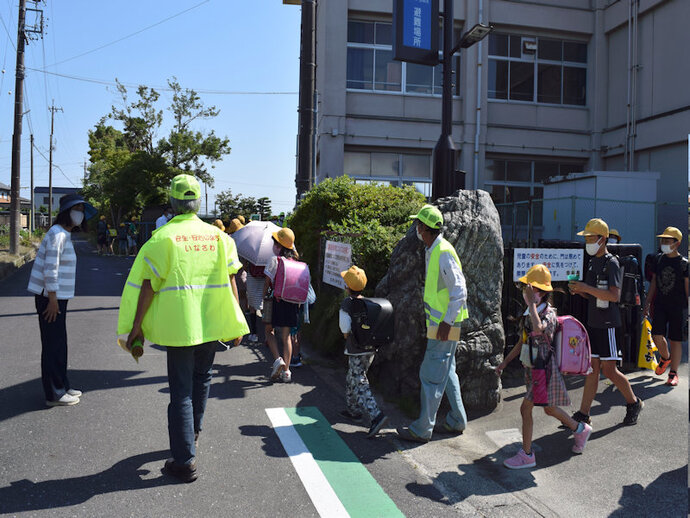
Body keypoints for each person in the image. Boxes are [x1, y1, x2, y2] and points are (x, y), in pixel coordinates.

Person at [118, 174, 248, 483]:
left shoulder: (162, 238)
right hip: (213, 325)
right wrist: (237, 321)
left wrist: (136, 327)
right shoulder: (220, 238)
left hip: (179, 328)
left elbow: (148, 288)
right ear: (198, 202)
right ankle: (194, 434)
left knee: (181, 391)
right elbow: (231, 282)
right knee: (202, 379)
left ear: (174, 203)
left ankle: (184, 460)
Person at [496, 265, 592, 469]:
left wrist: (531, 305)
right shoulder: (530, 313)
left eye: (529, 289)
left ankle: (527, 454)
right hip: (534, 368)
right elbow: (523, 341)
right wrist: (505, 361)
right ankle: (580, 429)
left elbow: (540, 330)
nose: (525, 292)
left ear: (539, 293)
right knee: (549, 409)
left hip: (544, 369)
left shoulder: (548, 314)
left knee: (525, 408)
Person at [396, 204, 469, 443]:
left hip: (443, 325)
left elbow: (459, 291)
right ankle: (457, 419)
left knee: (430, 375)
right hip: (443, 323)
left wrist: (446, 323)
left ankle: (422, 429)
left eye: (418, 224)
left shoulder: (442, 251)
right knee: (447, 372)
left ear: (425, 228)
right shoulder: (435, 249)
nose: (416, 228)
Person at [569, 218, 643, 426]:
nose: (588, 242)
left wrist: (585, 288)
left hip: (609, 324)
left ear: (602, 239)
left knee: (609, 370)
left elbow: (613, 296)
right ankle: (583, 413)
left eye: (590, 237)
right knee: (592, 369)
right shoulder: (593, 262)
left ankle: (633, 403)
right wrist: (579, 290)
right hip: (594, 323)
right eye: (587, 238)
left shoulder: (611, 262)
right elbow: (593, 294)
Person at [27, 193, 96, 406]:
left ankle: (62, 385)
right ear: (67, 212)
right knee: (53, 345)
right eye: (77, 210)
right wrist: (53, 300)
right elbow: (51, 269)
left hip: (55, 297)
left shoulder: (63, 234)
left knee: (59, 343)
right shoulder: (57, 234)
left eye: (83, 212)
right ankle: (54, 394)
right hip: (50, 298)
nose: (80, 215)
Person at [339, 265, 388, 438]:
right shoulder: (368, 303)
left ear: (347, 287)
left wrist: (347, 335)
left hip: (355, 350)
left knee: (359, 381)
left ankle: (376, 415)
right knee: (353, 377)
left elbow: (345, 327)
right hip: (370, 350)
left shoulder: (348, 304)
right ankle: (353, 410)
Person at [644, 227, 688, 386]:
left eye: (667, 240)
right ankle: (665, 357)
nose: (663, 243)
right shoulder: (659, 260)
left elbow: (687, 289)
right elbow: (654, 282)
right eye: (662, 240)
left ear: (677, 243)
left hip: (679, 306)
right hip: (661, 304)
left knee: (675, 339)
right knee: (657, 335)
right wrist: (647, 302)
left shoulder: (684, 264)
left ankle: (673, 373)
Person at [263, 227, 306, 383]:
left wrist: (263, 299)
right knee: (287, 336)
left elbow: (267, 283)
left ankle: (277, 360)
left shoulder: (274, 261)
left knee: (269, 331)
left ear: (279, 245)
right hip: (292, 303)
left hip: (276, 301)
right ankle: (287, 371)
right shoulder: (296, 262)